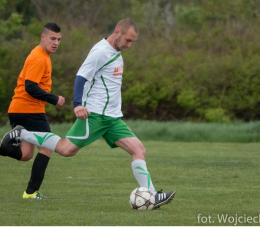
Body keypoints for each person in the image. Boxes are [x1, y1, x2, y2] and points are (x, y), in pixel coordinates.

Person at [0, 19, 175, 208]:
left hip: (113, 118)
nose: (129, 45)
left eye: (133, 42)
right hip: (96, 115)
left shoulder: (116, 51)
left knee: (138, 150)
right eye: (128, 40)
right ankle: (22, 134)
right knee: (67, 150)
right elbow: (81, 77)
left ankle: (152, 196)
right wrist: (77, 105)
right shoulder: (100, 51)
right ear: (117, 32)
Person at [0, 23, 65, 199]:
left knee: (25, 154)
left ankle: (8, 140)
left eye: (59, 39)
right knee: (46, 148)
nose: (56, 43)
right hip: (29, 110)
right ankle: (30, 193)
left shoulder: (44, 55)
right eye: (52, 38)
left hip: (19, 109)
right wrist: (54, 98)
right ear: (43, 37)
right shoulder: (38, 57)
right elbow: (30, 87)